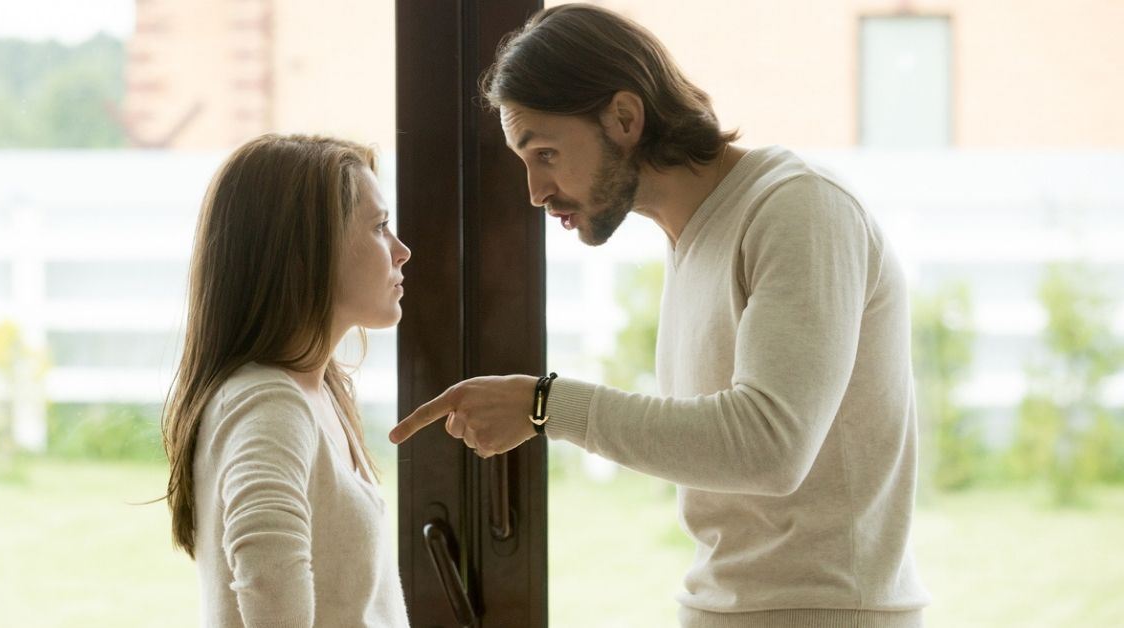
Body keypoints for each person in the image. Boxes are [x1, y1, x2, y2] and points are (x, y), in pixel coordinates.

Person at [389, 4, 930, 627]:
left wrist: (544, 405)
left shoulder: (798, 209)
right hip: (727, 606)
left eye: (545, 153)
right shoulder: (694, 236)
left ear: (623, 117)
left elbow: (770, 447)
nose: (535, 192)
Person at [161, 134, 412, 627]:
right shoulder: (270, 407)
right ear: (307, 252)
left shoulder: (314, 391)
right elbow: (268, 583)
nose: (401, 251)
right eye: (380, 227)